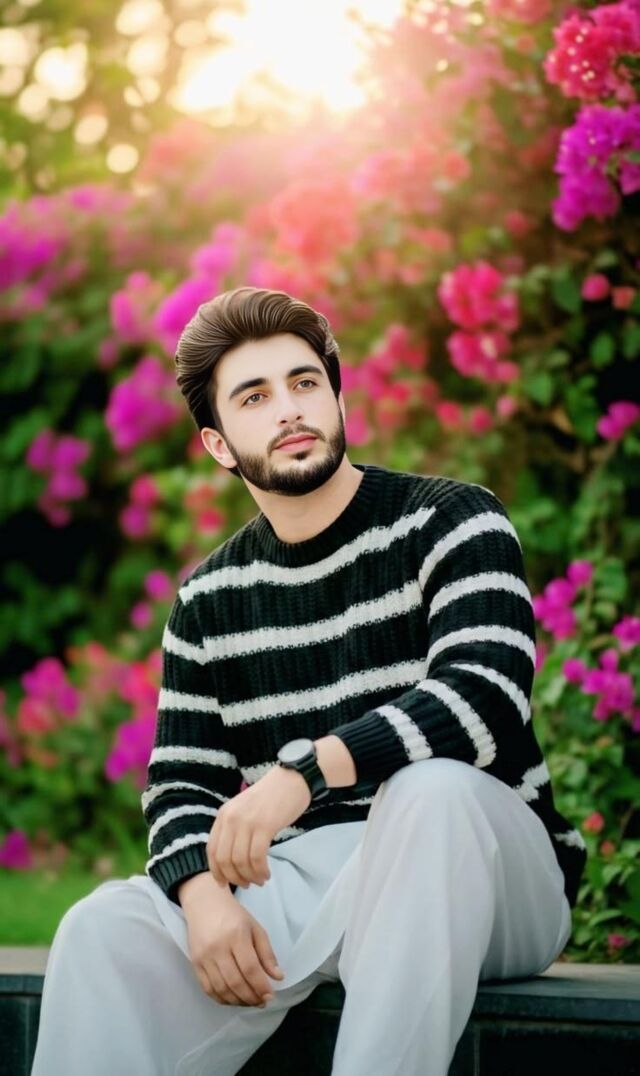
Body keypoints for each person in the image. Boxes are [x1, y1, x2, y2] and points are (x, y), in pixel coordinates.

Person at [32, 286, 587, 1076]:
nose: (289, 409)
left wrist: (305, 773)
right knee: (103, 929)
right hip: (319, 882)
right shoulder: (209, 599)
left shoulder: (452, 521)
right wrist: (200, 896)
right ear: (219, 445)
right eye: (254, 397)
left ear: (337, 397)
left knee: (430, 793)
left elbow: (484, 694)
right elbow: (182, 785)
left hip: (492, 873)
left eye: (304, 383)